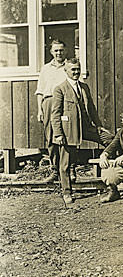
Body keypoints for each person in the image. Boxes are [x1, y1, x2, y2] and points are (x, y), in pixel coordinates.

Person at [50, 58, 112, 204]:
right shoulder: (60, 89)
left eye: (78, 69)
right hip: (69, 130)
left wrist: (98, 125)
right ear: (66, 71)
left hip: (86, 126)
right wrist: (58, 133)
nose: (76, 72)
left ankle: (113, 182)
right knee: (65, 163)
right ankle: (66, 192)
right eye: (73, 70)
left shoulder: (84, 87)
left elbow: (91, 108)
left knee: (110, 139)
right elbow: (55, 114)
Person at [35, 38, 69, 179]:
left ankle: (68, 169)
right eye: (56, 50)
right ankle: (55, 169)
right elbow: (40, 91)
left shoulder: (69, 66)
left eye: (61, 50)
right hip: (49, 102)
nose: (58, 53)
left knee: (67, 135)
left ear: (65, 50)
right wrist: (40, 110)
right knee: (50, 136)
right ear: (51, 52)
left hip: (65, 102)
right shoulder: (46, 68)